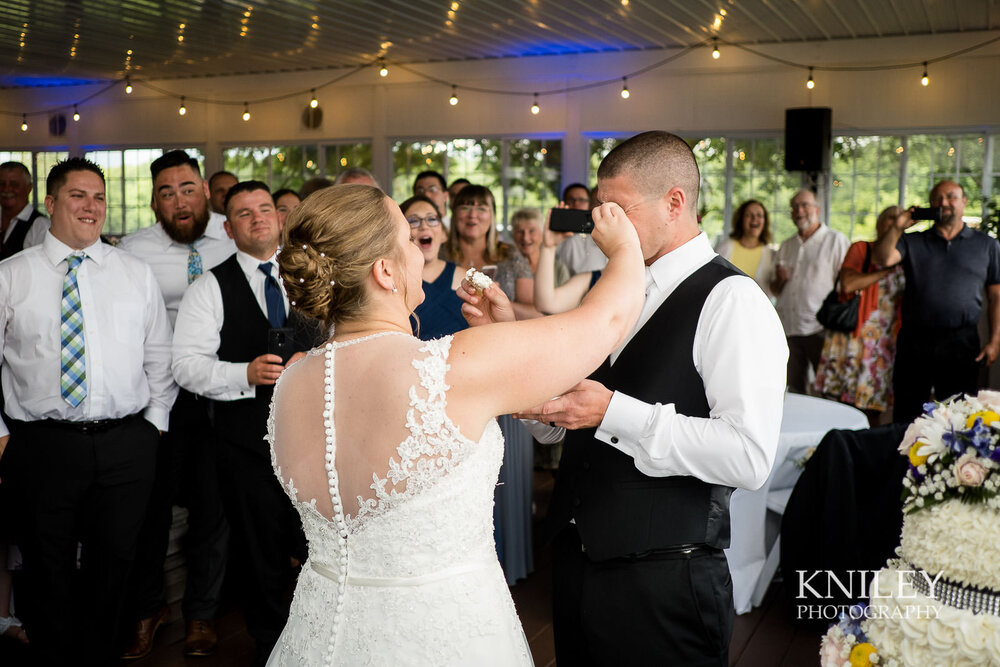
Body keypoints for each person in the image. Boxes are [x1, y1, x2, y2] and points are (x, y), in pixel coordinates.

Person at [264, 183, 645, 664]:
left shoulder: (291, 381)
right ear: (384, 271)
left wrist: (497, 340)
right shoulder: (448, 367)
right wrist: (626, 246)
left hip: (316, 636)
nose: (422, 252)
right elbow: (607, 319)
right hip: (442, 632)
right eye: (409, 239)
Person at [513, 131, 787, 664]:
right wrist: (534, 395)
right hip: (577, 566)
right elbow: (570, 410)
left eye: (615, 208)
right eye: (598, 209)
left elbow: (749, 457)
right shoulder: (610, 289)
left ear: (674, 203)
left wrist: (613, 412)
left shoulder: (732, 301)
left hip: (664, 581)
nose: (599, 225)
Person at [0, 158, 176, 665]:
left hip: (127, 443)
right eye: (78, 196)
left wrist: (154, 425)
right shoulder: (12, 277)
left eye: (98, 197)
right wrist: (2, 438)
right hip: (40, 445)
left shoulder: (134, 274)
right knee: (46, 566)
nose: (91, 206)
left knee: (113, 565)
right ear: (51, 204)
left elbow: (158, 356)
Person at [173, 181, 321, 665]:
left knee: (317, 543)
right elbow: (186, 365)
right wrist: (244, 373)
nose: (257, 218)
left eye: (265, 209)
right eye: (243, 213)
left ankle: (321, 640)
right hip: (245, 445)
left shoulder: (314, 275)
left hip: (317, 441)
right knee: (260, 553)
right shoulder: (208, 287)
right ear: (228, 226)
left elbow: (344, 337)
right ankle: (270, 646)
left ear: (280, 219)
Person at [118, 149, 234, 659]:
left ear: (206, 192)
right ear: (154, 201)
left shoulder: (235, 236)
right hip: (157, 397)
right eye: (167, 193)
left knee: (212, 507)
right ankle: (147, 609)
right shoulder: (133, 251)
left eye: (187, 189)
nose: (179, 201)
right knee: (151, 509)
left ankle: (202, 616)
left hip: (219, 392)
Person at [872, 180, 1000, 424]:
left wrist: (994, 340)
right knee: (907, 414)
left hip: (961, 341)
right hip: (914, 340)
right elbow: (882, 257)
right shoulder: (913, 241)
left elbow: (997, 296)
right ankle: (902, 462)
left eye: (951, 197)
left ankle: (954, 463)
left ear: (963, 202)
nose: (944, 203)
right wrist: (899, 225)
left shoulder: (987, 245)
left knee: (959, 416)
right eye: (937, 199)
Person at [814, 207, 905, 424]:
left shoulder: (907, 254)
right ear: (879, 224)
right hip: (853, 338)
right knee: (842, 404)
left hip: (885, 343)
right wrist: (884, 271)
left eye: (899, 219)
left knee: (874, 406)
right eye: (890, 218)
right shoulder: (862, 249)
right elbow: (848, 283)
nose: (895, 222)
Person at [771, 189, 849, 394]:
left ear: (817, 209)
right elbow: (774, 290)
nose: (800, 211)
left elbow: (846, 285)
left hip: (820, 328)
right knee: (792, 388)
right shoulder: (786, 246)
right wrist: (779, 280)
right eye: (795, 207)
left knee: (828, 390)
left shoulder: (836, 241)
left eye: (805, 205)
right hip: (788, 327)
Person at [402, 195, 467, 340]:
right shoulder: (392, 281)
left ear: (444, 233)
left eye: (431, 219)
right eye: (413, 221)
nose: (424, 226)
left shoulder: (466, 279)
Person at [494, 208, 569, 320]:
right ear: (513, 234)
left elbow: (567, 307)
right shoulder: (505, 266)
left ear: (542, 233)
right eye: (520, 232)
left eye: (532, 231)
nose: (526, 237)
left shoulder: (558, 268)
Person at [714, 199, 777, 300]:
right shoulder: (725, 248)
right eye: (749, 215)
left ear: (764, 221)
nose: (754, 219)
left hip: (757, 310)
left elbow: (773, 291)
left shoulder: (771, 254)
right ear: (741, 220)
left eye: (759, 215)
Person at [442, 184, 510, 270]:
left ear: (492, 216)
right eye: (465, 208)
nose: (472, 215)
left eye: (481, 208)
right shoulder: (437, 255)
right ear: (454, 214)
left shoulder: (510, 255)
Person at [556, 182, 608, 276]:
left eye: (581, 200)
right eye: (571, 200)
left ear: (590, 204)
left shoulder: (602, 234)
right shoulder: (556, 237)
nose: (576, 204)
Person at [0, 161, 49, 259]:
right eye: (2, 184)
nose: (6, 189)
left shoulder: (40, 225)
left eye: (14, 184)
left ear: (29, 188)